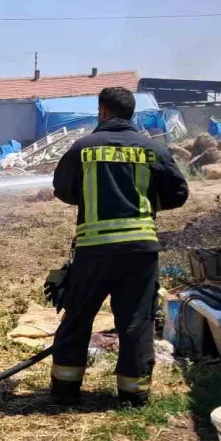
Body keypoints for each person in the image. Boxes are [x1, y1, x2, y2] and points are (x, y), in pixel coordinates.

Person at [50, 87, 189, 407]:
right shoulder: (152, 149)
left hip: (93, 250)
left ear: (102, 111)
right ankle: (133, 393)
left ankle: (65, 391)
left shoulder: (82, 148)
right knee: (136, 322)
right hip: (139, 252)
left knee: (78, 317)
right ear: (130, 113)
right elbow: (178, 194)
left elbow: (62, 189)